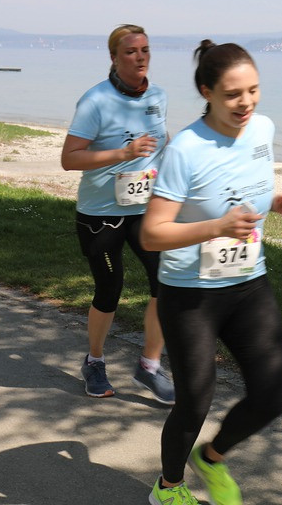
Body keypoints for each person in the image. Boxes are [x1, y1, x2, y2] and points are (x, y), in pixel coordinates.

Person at [141, 41, 282, 505]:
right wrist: (217, 227)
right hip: (191, 294)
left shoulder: (263, 129)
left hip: (249, 283)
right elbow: (152, 234)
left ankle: (212, 457)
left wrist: (274, 200)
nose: (245, 103)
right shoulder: (185, 149)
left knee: (272, 395)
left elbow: (239, 188)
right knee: (195, 401)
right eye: (232, 94)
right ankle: (168, 488)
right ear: (207, 92)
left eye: (252, 90)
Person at [60, 24, 174, 404]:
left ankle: (149, 366)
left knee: (166, 284)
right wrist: (123, 154)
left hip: (146, 210)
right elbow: (69, 158)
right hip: (100, 214)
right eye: (130, 51)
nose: (139, 57)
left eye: (144, 50)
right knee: (110, 290)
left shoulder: (157, 96)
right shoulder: (95, 101)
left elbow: (162, 141)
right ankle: (94, 361)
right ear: (113, 57)